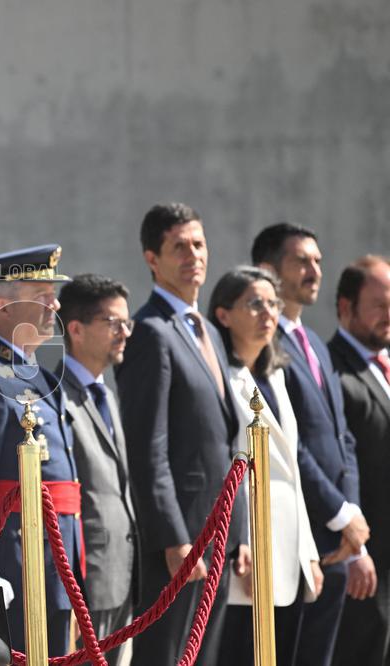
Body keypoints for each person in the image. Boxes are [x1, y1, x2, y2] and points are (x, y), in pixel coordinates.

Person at [115, 202, 247, 666]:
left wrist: (240, 534)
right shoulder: (150, 332)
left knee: (204, 657)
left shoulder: (206, 328)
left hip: (220, 537)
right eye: (179, 247)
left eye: (199, 244)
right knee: (169, 656)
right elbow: (147, 445)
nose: (194, 255)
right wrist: (174, 538)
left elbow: (228, 442)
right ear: (153, 258)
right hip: (180, 541)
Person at [252, 223, 367, 666]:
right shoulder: (263, 344)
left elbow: (343, 437)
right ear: (268, 270)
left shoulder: (316, 344)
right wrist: (339, 514)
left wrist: (351, 515)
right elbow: (288, 443)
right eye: (301, 260)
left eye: (317, 261)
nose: (314, 270)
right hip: (299, 536)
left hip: (339, 540)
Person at [208, 266, 323, 665]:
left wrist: (307, 550)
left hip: (287, 548)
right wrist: (239, 537)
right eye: (254, 303)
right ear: (223, 314)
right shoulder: (222, 377)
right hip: (248, 550)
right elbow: (223, 463)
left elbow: (290, 470)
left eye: (273, 303)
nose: (268, 312)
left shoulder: (275, 378)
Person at [0, 244, 82, 656]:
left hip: (55, 557)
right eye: (40, 297)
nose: (54, 304)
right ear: (2, 307)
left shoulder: (33, 374)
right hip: (18, 559)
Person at [54, 274, 138, 666]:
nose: (124, 332)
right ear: (76, 329)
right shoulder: (54, 396)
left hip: (122, 572)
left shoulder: (107, 390)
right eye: (112, 322)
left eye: (127, 323)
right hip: (86, 576)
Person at [330, 256, 390, 666]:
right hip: (367, 565)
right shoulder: (334, 372)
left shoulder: (384, 366)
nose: (389, 316)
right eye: (380, 304)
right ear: (345, 307)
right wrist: (356, 551)